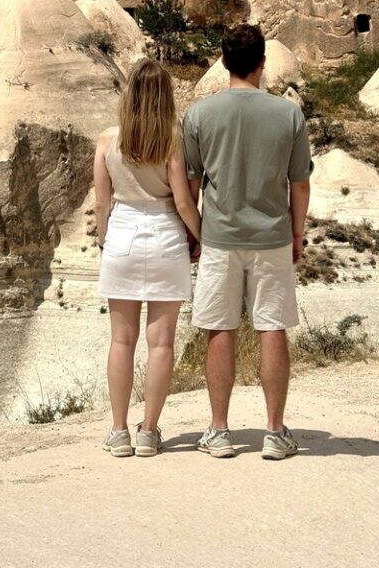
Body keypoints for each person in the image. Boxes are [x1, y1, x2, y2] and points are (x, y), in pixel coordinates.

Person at [182, 24, 312, 460]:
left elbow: (192, 182)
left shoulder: (200, 115)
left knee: (221, 328)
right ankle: (274, 432)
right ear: (263, 62)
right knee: (272, 326)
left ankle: (219, 431)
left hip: (219, 237)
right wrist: (297, 234)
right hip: (272, 235)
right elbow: (300, 183)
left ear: (222, 62)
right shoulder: (288, 114)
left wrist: (194, 234)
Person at [95, 58, 201, 458]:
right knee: (162, 343)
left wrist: (106, 244)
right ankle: (150, 432)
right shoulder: (172, 141)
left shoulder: (108, 141)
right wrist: (200, 238)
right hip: (165, 237)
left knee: (121, 340)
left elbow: (101, 202)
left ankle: (119, 431)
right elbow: (183, 202)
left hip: (122, 232)